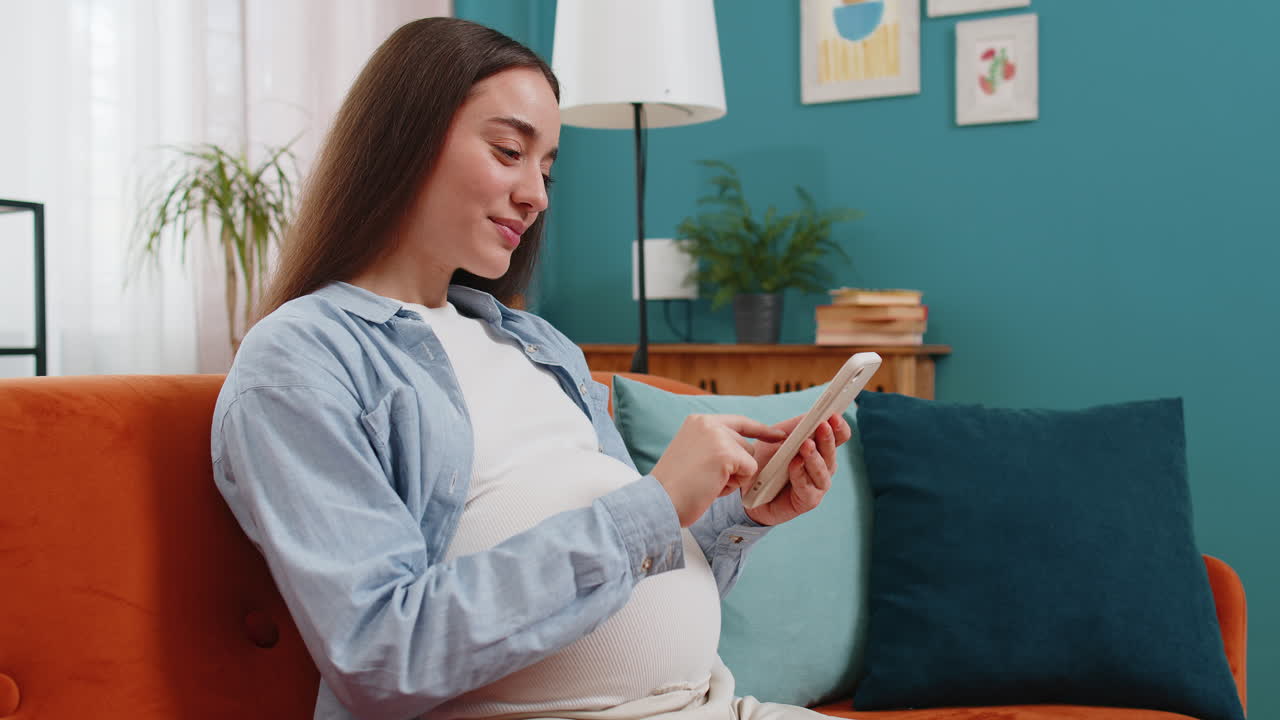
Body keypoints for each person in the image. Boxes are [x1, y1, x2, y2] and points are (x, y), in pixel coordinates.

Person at [212, 17, 853, 720]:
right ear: (404, 138)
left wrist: (739, 515)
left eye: (545, 169)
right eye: (509, 151)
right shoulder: (304, 358)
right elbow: (381, 652)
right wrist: (658, 502)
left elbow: (629, 577)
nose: (537, 196)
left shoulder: (539, 346)